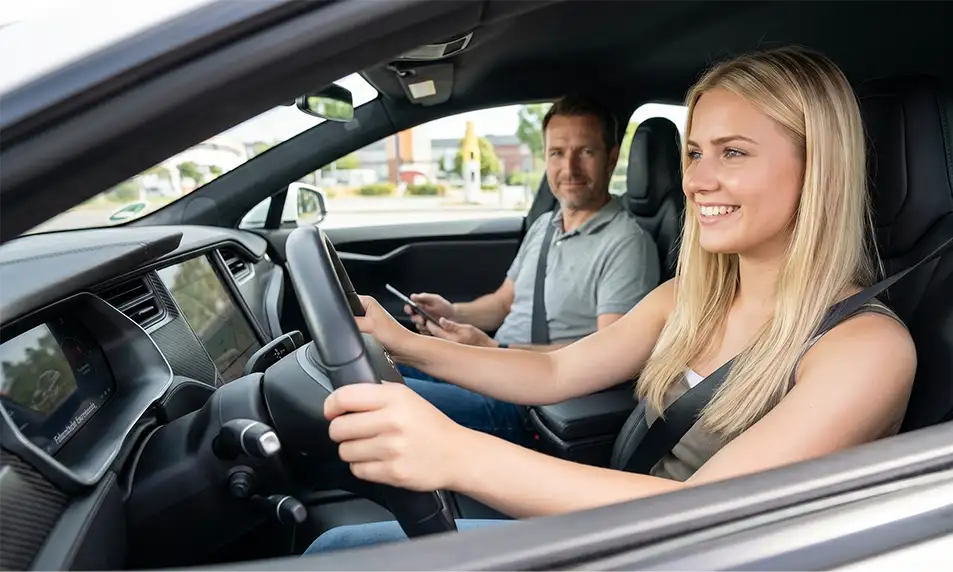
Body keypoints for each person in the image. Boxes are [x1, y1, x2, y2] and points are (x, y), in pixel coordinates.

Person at [304, 46, 917, 553]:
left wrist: (456, 454)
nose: (697, 181)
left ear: (818, 169)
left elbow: (706, 513)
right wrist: (407, 344)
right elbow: (556, 369)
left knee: (340, 551)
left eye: (733, 152)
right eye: (695, 152)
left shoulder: (866, 348)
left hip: (684, 550)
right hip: (620, 527)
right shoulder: (693, 294)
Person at [395, 95, 661, 443]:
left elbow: (609, 357)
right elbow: (504, 303)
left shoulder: (627, 244)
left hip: (531, 400)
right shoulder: (545, 226)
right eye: (557, 153)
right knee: (375, 361)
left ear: (611, 160)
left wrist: (496, 351)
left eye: (585, 152)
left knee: (380, 396)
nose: (570, 169)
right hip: (493, 367)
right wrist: (453, 312)